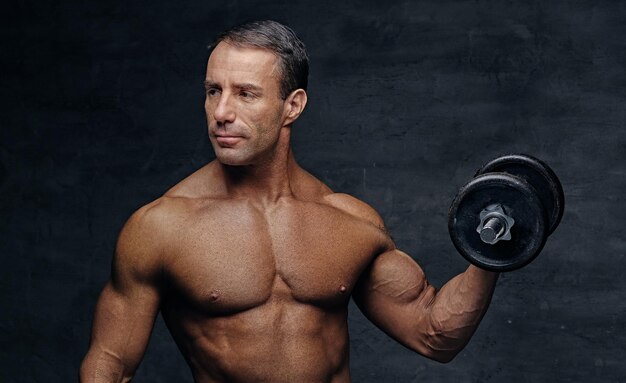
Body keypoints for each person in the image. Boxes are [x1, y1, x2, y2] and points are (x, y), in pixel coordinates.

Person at [80, 20, 498, 383]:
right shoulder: (162, 226)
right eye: (213, 91)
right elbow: (111, 365)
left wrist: (492, 247)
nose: (221, 111)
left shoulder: (347, 220)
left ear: (292, 106)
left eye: (245, 94)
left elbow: (435, 335)